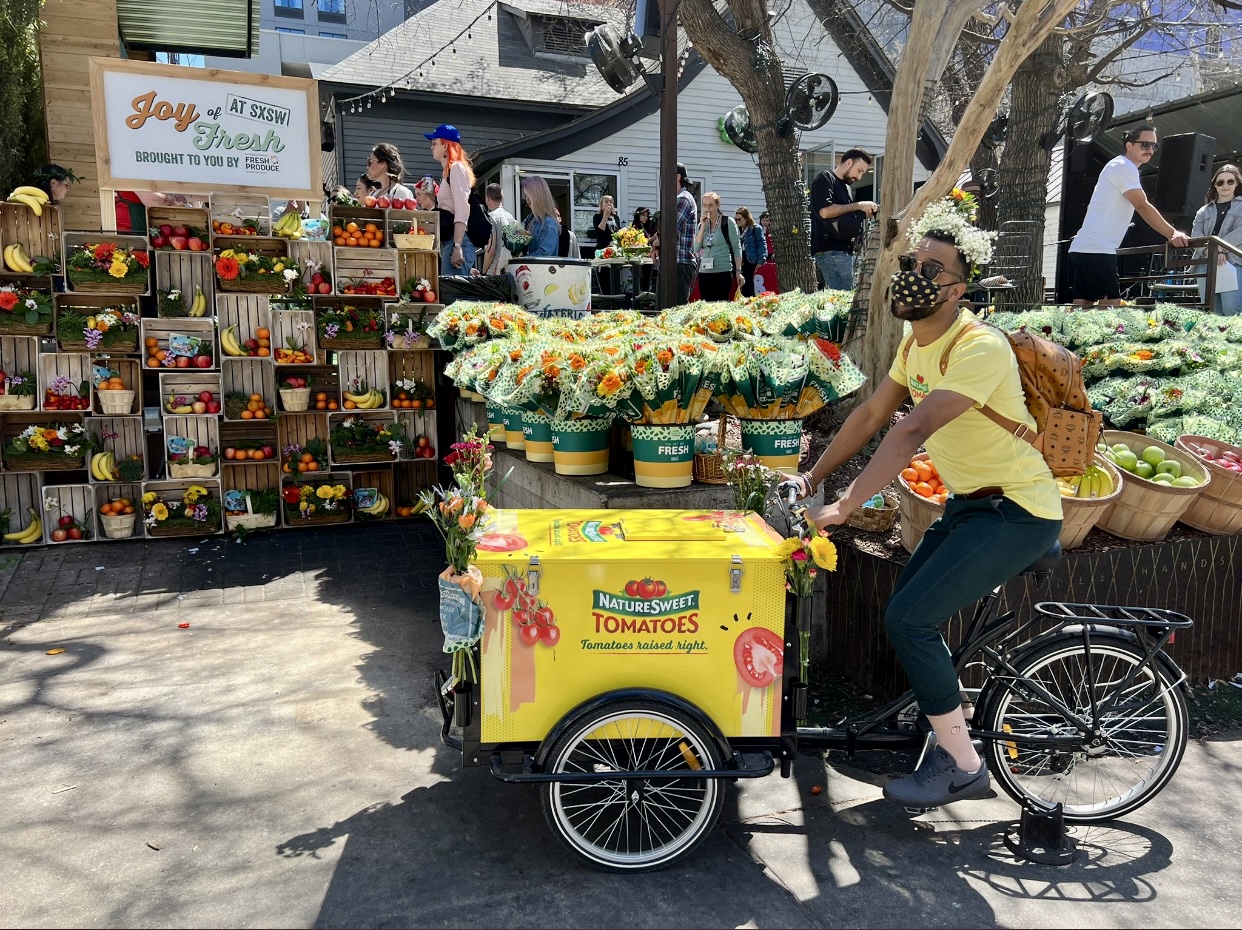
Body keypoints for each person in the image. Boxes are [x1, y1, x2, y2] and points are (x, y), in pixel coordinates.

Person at [784, 220, 1062, 809]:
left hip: (1018, 510)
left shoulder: (977, 346)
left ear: (960, 290)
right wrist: (811, 477)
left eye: (933, 271)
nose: (915, 277)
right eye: (913, 264)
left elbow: (911, 428)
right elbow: (869, 417)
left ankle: (963, 767)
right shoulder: (915, 345)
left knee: (911, 620)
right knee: (905, 615)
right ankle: (951, 719)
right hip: (970, 503)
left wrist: (844, 505)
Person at [1068, 125, 1189, 307]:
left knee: (1081, 310)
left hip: (1084, 248)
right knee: (1110, 311)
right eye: (1145, 145)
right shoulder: (1124, 166)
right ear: (1129, 145)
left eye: (1154, 146)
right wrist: (1172, 234)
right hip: (1097, 250)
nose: (1150, 150)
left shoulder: (1118, 166)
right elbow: (1142, 205)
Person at [811, 148, 876, 291]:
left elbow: (843, 216)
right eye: (859, 170)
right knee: (843, 299)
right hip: (830, 250)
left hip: (842, 250)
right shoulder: (825, 178)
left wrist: (863, 213)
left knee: (841, 299)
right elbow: (825, 212)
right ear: (849, 162)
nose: (859, 177)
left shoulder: (846, 188)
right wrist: (858, 205)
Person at [1190, 164, 1242, 316]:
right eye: (1220, 182)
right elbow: (1196, 235)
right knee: (1212, 312)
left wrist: (1219, 248)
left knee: (1231, 309)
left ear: (1237, 183)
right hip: (1205, 262)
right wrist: (1210, 251)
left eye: (1230, 181)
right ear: (1214, 185)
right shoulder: (1204, 210)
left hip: (1232, 262)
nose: (1225, 185)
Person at [426, 125, 477, 275]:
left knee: (453, 295)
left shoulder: (455, 168)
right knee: (451, 293)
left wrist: (457, 246)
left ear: (445, 145)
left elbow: (462, 208)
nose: (431, 147)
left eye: (434, 143)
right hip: (451, 241)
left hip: (457, 241)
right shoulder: (449, 171)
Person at [692, 192, 742, 301]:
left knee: (720, 305)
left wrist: (738, 271)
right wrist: (703, 227)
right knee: (706, 306)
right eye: (705, 205)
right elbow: (695, 249)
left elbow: (737, 248)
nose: (707, 208)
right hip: (705, 272)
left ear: (717, 205)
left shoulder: (728, 222)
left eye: (711, 205)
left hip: (723, 270)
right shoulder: (702, 224)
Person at [674, 163, 698, 306]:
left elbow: (671, 229)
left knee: (677, 311)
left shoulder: (683, 198)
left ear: (678, 177)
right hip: (676, 262)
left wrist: (656, 243)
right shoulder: (678, 198)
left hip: (681, 262)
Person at [482, 182, 516, 276]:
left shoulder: (490, 218)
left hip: (494, 272)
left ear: (487, 198)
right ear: (502, 198)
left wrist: (483, 272)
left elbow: (490, 251)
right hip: (509, 271)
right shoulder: (511, 218)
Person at [521, 176, 560, 258]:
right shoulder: (529, 219)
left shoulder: (549, 223)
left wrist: (521, 260)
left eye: (528, 195)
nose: (527, 199)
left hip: (542, 269)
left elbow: (543, 254)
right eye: (525, 195)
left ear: (537, 195)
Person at [593, 194, 621, 292]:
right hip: (603, 250)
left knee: (614, 276)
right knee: (604, 277)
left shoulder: (616, 218)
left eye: (611, 202)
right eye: (606, 202)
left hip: (614, 250)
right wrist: (605, 216)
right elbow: (600, 230)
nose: (609, 203)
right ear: (601, 205)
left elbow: (618, 232)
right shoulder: (597, 216)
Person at [736, 206, 766, 298]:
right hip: (740, 258)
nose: (737, 221)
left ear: (746, 218)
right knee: (745, 282)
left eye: (739, 219)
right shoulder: (737, 229)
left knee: (747, 280)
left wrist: (761, 260)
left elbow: (761, 243)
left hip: (751, 258)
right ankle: (750, 299)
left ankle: (747, 299)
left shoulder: (755, 228)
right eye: (736, 219)